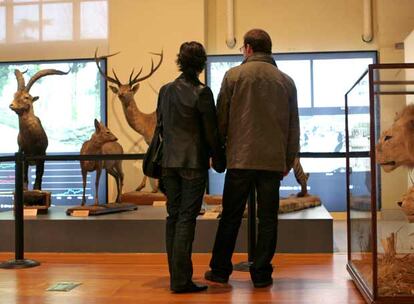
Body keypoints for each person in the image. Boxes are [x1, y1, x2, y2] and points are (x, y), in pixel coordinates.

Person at [205, 29, 300, 288]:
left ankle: (221, 270)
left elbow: (221, 120)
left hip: (240, 160)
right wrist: (288, 160)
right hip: (272, 162)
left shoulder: (233, 76)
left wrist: (219, 154)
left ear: (247, 48)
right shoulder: (286, 81)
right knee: (268, 219)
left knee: (231, 216)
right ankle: (261, 274)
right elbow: (293, 126)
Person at [156, 41, 225, 293]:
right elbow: (211, 133)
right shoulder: (202, 92)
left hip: (168, 164)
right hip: (193, 165)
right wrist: (220, 160)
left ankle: (176, 276)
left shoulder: (165, 90)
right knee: (186, 219)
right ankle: (181, 280)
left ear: (179, 61)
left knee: (173, 217)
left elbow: (160, 126)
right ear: (201, 63)